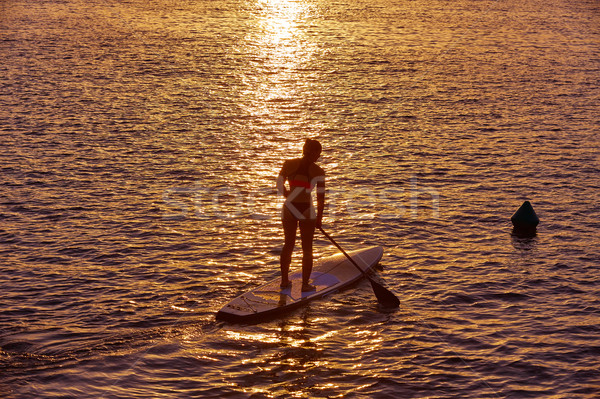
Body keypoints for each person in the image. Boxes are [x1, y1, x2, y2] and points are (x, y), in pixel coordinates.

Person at [276, 139, 325, 292]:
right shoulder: (319, 171)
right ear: (312, 152)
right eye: (318, 153)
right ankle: (305, 285)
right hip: (306, 210)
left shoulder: (288, 163)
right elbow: (320, 197)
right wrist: (319, 219)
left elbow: (279, 183)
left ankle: (284, 281)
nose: (319, 157)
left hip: (289, 208)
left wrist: (287, 195)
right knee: (307, 248)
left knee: (288, 245)